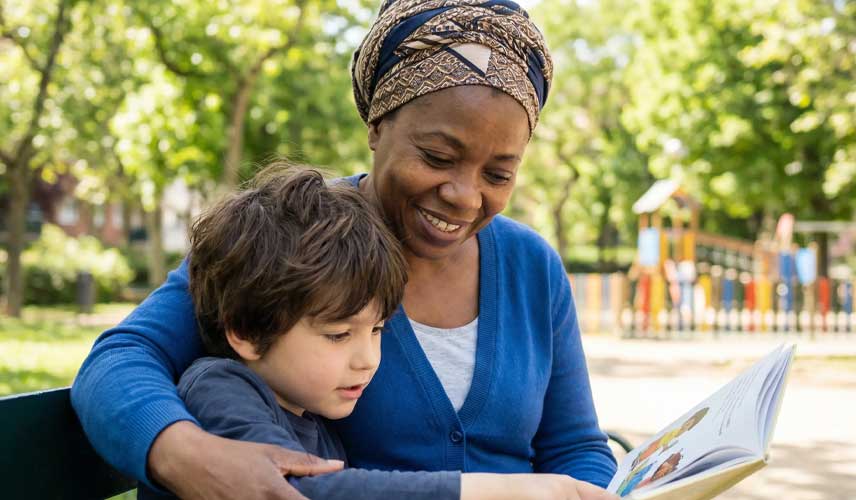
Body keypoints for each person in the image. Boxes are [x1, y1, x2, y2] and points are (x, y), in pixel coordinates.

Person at [71, 1, 619, 499]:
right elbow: (120, 361)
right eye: (435, 156)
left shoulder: (532, 266)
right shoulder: (293, 234)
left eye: (498, 173)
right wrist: (186, 455)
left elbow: (576, 447)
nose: (463, 195)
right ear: (378, 126)